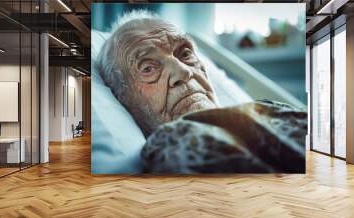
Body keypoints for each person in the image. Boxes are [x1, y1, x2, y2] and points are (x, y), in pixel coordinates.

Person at [97, 11, 307, 173]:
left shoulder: (269, 109)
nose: (183, 72)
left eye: (185, 53)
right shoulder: (175, 148)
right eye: (148, 68)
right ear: (123, 100)